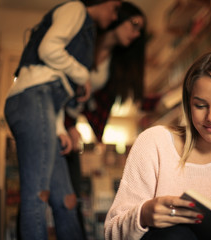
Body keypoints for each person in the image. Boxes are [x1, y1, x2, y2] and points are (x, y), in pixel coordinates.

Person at [104, 52, 211, 240]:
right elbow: (111, 233)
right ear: (188, 105)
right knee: (176, 235)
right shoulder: (154, 143)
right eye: (200, 105)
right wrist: (143, 215)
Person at [4, 1, 121, 240]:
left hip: (42, 102)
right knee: (37, 195)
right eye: (115, 6)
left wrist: (59, 128)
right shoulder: (76, 9)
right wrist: (83, 75)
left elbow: (54, 91)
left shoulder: (87, 26)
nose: (115, 14)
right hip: (33, 97)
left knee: (66, 200)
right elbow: (49, 49)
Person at [63, 1, 147, 236]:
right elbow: (59, 84)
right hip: (53, 118)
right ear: (119, 16)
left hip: (68, 124)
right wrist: (67, 125)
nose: (136, 33)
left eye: (140, 30)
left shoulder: (114, 64)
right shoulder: (83, 41)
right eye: (134, 24)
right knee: (48, 194)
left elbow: (96, 102)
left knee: (72, 195)